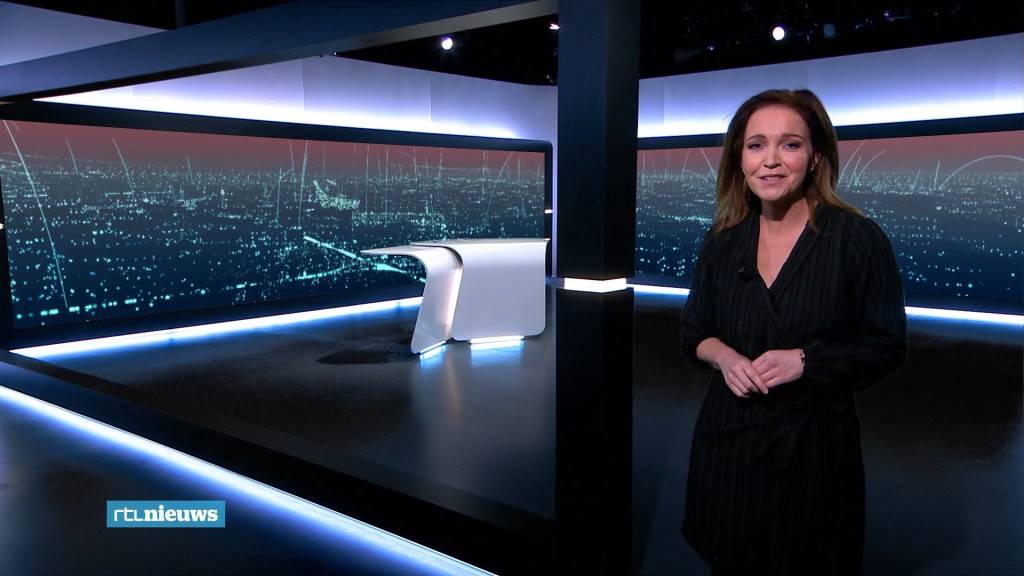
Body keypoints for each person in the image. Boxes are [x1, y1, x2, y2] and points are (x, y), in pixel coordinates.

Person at [679, 88, 907, 575]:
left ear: (816, 156)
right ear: (739, 159)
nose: (771, 160)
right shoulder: (721, 241)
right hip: (730, 446)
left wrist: (807, 361)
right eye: (756, 145)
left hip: (815, 452)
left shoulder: (857, 240)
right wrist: (725, 358)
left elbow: (887, 345)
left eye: (790, 144)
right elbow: (694, 330)